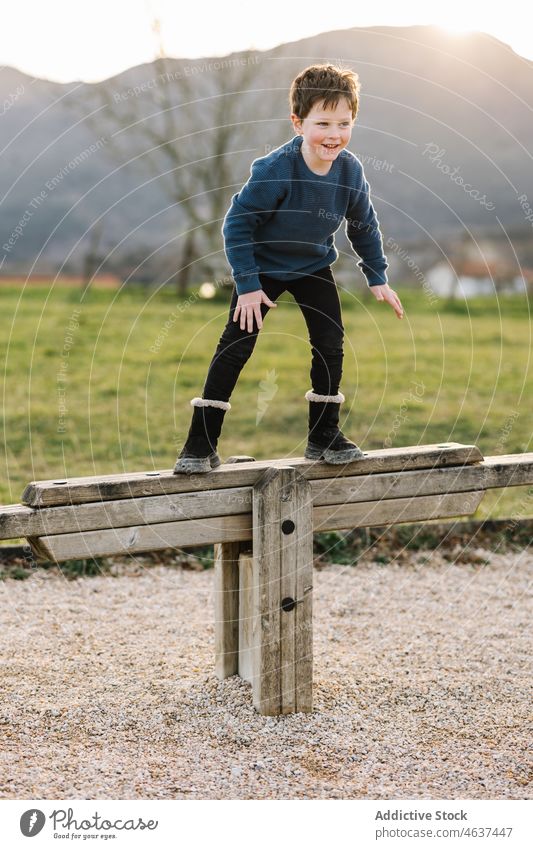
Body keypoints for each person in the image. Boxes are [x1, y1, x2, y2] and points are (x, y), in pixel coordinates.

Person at [174, 63, 403, 474]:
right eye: (323, 123)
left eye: (344, 123)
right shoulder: (276, 170)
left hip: (312, 265)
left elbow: (363, 223)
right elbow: (237, 222)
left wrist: (377, 275)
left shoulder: (350, 171)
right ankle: (199, 445)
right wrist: (247, 284)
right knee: (237, 344)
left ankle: (323, 436)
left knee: (330, 343)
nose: (334, 134)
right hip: (261, 268)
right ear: (298, 122)